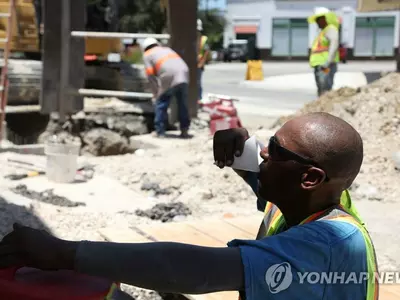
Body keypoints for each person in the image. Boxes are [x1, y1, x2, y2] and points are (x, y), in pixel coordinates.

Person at [0, 113, 378, 299]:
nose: (262, 152)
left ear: (309, 178)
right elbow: (258, 165)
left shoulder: (327, 244)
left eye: (274, 150)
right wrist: (236, 143)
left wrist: (64, 253)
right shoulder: (314, 199)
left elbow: (194, 270)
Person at [141, 37, 191, 138]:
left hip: (169, 75)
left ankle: (160, 131)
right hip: (184, 72)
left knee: (161, 103)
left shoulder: (147, 54)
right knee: (182, 104)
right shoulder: (167, 49)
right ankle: (184, 130)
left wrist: (156, 94)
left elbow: (150, 76)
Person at [308, 7, 340, 96]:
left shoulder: (331, 29)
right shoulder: (324, 31)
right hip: (322, 65)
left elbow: (334, 44)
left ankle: (325, 108)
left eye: (318, 19)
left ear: (325, 19)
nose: (317, 22)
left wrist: (327, 62)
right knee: (322, 88)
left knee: (325, 87)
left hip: (325, 66)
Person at [197, 19, 210, 101]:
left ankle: (199, 99)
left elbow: (206, 52)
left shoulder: (204, 39)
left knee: (197, 83)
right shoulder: (190, 38)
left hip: (199, 64)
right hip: (191, 63)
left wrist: (202, 63)